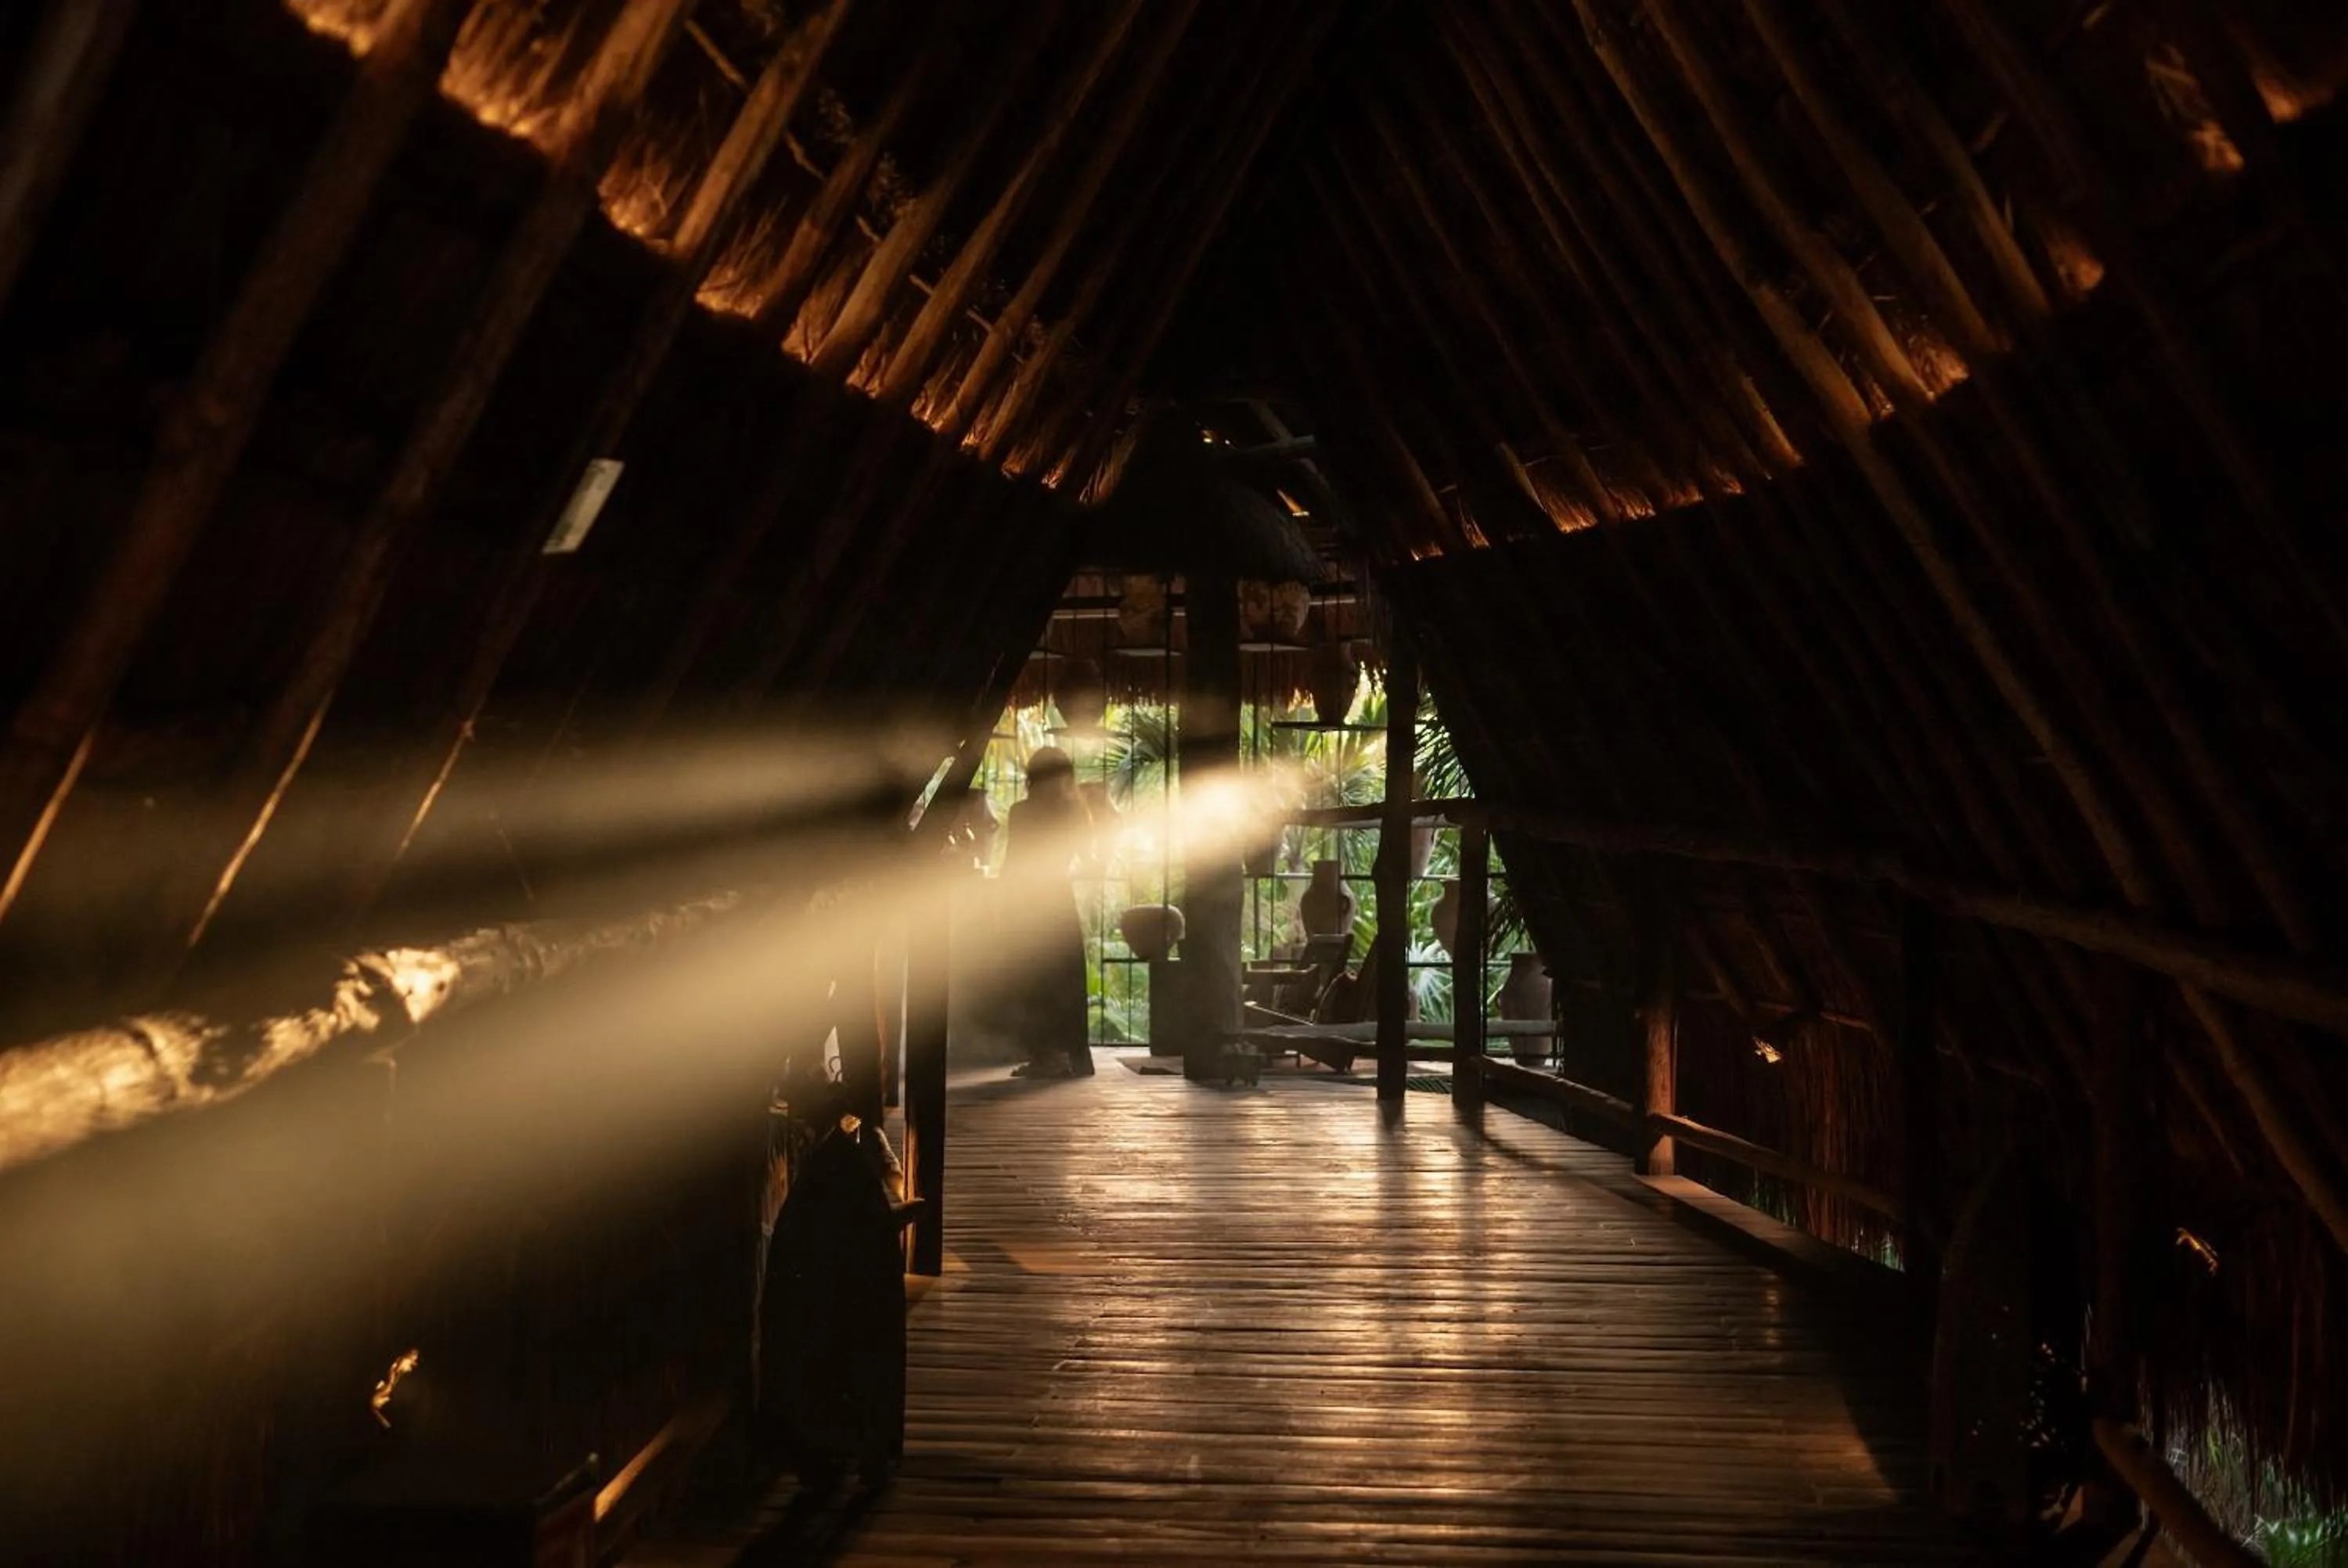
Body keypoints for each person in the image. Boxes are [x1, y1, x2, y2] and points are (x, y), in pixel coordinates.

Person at [1002, 747, 1093, 1079]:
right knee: (1064, 981)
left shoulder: (1022, 812)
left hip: (1030, 903)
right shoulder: (1075, 812)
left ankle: (1045, 1057)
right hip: (1059, 900)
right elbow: (1091, 859)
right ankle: (1069, 1056)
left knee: (1035, 981)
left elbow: (1014, 862)